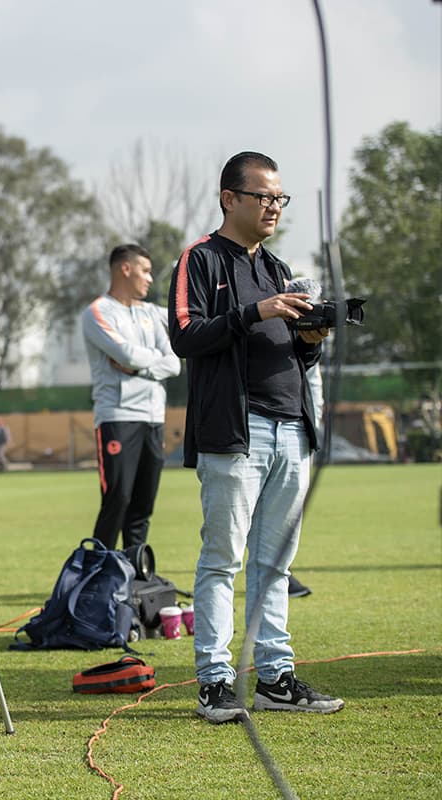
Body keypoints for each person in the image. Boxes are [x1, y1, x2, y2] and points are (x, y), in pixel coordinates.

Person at [169, 151, 344, 724]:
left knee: (275, 565)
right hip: (235, 433)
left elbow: (291, 354)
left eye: (279, 198)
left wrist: (310, 341)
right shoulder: (199, 258)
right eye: (264, 196)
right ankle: (215, 683)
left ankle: (274, 678)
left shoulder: (276, 267)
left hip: (292, 428)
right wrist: (253, 312)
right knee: (223, 559)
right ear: (230, 198)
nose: (274, 207)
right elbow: (185, 335)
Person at [81, 244, 181, 551]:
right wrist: (148, 360)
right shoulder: (97, 312)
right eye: (146, 271)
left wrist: (140, 368)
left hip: (153, 418)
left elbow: (174, 363)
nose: (150, 278)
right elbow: (125, 353)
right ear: (126, 269)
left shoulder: (150, 313)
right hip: (118, 416)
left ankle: (135, 571)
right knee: (118, 499)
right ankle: (98, 570)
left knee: (143, 505)